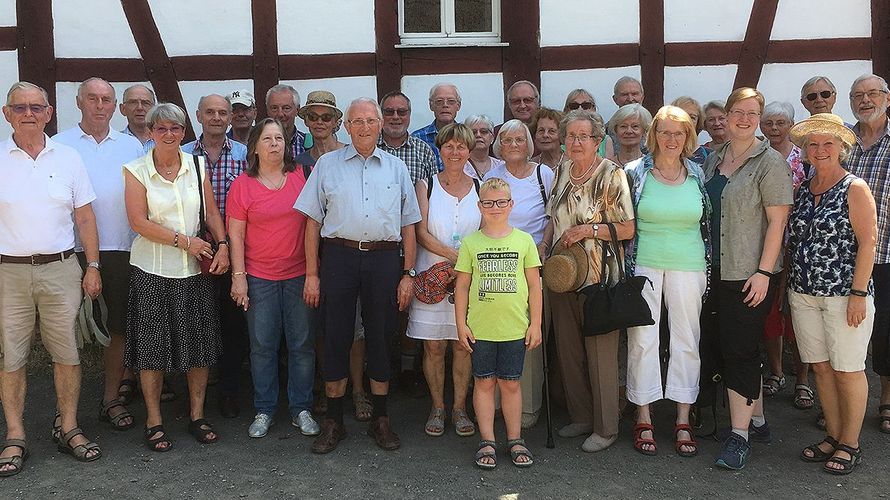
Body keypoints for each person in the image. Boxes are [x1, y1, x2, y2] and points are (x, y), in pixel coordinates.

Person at [295, 98, 421, 454]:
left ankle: (381, 419)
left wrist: (408, 273)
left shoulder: (396, 168)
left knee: (381, 336)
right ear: (345, 127)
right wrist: (312, 273)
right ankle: (334, 421)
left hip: (384, 261)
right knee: (335, 334)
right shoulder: (326, 166)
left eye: (370, 120)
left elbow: (409, 223)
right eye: (357, 121)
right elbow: (312, 223)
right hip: (338, 256)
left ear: (380, 125)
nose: (364, 127)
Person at [0, 81, 103, 476]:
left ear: (47, 113)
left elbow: (85, 217)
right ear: (7, 113)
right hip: (8, 271)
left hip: (61, 268)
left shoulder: (69, 157)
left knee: (68, 354)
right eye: (20, 107)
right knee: (12, 356)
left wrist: (92, 267)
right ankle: (14, 434)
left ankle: (70, 426)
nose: (29, 113)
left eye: (36, 107)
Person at [123, 103, 229, 452]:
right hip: (151, 271)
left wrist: (224, 244)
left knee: (198, 346)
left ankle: (197, 415)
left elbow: (211, 212)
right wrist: (185, 241)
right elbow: (137, 222)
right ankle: (154, 420)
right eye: (162, 128)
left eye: (175, 129)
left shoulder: (196, 165)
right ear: (151, 132)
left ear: (184, 133)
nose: (169, 135)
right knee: (152, 349)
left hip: (192, 270)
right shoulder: (136, 170)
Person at [702, 87, 793, 470]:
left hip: (749, 274)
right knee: (730, 348)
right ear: (726, 114)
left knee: (740, 351)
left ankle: (739, 438)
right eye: (737, 111)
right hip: (713, 272)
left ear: (758, 118)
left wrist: (763, 273)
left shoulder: (769, 162)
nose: (743, 118)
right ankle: (756, 421)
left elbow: (778, 222)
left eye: (751, 113)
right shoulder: (713, 158)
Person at [787, 113, 877, 475]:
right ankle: (834, 436)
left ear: (841, 146)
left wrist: (858, 293)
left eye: (828, 143)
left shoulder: (855, 187)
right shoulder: (803, 189)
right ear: (806, 150)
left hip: (843, 294)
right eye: (814, 144)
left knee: (848, 369)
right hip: (804, 292)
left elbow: (869, 242)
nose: (820, 150)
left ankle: (850, 444)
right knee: (821, 368)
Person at [52, 77, 144, 432]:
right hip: (69, 250)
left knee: (117, 328)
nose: (100, 105)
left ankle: (111, 398)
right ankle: (65, 412)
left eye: (106, 99)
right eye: (93, 98)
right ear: (79, 102)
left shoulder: (131, 147)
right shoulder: (60, 146)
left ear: (114, 105)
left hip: (122, 248)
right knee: (66, 330)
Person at [544, 109, 635, 452]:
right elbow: (553, 216)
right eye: (571, 136)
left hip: (600, 276)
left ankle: (606, 426)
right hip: (563, 272)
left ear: (598, 141)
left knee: (601, 354)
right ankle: (581, 416)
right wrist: (543, 243)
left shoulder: (611, 174)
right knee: (568, 350)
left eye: (584, 136)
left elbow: (627, 228)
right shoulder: (562, 170)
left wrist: (587, 230)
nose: (576, 142)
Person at [623, 106, 710, 457]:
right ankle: (643, 414)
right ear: (653, 135)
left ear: (688, 137)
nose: (671, 139)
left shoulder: (698, 174)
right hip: (644, 263)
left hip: (688, 265)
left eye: (679, 133)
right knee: (642, 340)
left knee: (686, 340)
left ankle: (682, 416)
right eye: (665, 132)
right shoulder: (634, 173)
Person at [227, 118, 320, 439]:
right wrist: (238, 277)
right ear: (254, 147)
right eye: (267, 139)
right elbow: (235, 236)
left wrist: (313, 273)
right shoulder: (242, 186)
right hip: (259, 277)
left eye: (279, 138)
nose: (274, 144)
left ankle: (301, 409)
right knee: (262, 347)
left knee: (302, 346)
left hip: (298, 275)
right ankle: (264, 409)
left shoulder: (302, 177)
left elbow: (313, 226)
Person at [455, 177, 543, 469]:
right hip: (481, 329)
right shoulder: (471, 242)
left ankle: (515, 438)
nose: (495, 208)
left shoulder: (524, 241)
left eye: (501, 202)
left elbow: (534, 286)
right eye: (489, 203)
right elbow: (462, 287)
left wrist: (535, 324)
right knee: (483, 383)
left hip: (514, 328)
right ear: (480, 206)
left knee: (511, 384)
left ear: (511, 204)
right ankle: (487, 440)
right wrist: (461, 324)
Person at [294, 90, 370, 422]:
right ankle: (330, 386)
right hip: (309, 252)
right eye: (313, 117)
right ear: (305, 121)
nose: (320, 122)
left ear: (339, 121)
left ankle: (357, 390)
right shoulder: (297, 162)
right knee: (322, 327)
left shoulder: (351, 157)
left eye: (327, 117)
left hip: (346, 251)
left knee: (354, 327)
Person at [410, 123, 480, 438]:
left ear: (469, 151)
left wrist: (462, 263)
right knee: (434, 347)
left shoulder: (481, 187)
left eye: (461, 146)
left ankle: (460, 408)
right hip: (430, 277)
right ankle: (438, 406)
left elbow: (486, 233)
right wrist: (453, 256)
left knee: (463, 346)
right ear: (440, 149)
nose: (454, 152)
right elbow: (420, 233)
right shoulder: (426, 185)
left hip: (469, 278)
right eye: (448, 146)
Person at [182, 94, 248, 419]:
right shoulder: (182, 155)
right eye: (210, 112)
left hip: (234, 251)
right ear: (199, 115)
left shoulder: (244, 155)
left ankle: (230, 391)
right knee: (197, 324)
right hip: (194, 252)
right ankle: (194, 398)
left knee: (233, 325)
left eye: (223, 112)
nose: (218, 117)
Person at [486, 119, 554, 428]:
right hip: (499, 264)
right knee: (499, 332)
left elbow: (552, 215)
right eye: (507, 140)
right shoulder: (492, 176)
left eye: (519, 139)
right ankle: (498, 405)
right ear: (499, 145)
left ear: (529, 144)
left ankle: (527, 409)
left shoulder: (544, 174)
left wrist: (543, 245)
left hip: (531, 265)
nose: (513, 144)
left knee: (528, 335)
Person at [845, 73, 890, 435]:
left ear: (887, 99)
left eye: (872, 93)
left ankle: (886, 399)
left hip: (888, 253)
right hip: (845, 257)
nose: (865, 100)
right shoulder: (843, 141)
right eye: (858, 95)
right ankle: (848, 402)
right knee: (848, 330)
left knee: (887, 331)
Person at [759, 101, 811, 408]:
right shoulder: (758, 156)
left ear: (790, 124)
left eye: (781, 123)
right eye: (769, 124)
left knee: (799, 314)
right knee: (770, 314)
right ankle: (776, 373)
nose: (775, 129)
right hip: (766, 245)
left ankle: (802, 379)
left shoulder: (804, 158)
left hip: (799, 245)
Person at [379, 91, 439, 185]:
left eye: (402, 112)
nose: (395, 117)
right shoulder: (370, 148)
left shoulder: (423, 150)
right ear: (381, 115)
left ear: (409, 114)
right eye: (389, 112)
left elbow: (434, 190)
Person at [412, 83, 461, 171]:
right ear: (431, 105)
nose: (445, 105)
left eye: (451, 101)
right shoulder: (417, 139)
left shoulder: (467, 136)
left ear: (458, 106)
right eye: (439, 101)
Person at [492, 81, 541, 154]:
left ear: (537, 102)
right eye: (516, 101)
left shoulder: (545, 133)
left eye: (527, 100)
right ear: (509, 104)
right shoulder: (498, 133)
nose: (522, 106)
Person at [564, 89, 614, 160]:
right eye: (574, 105)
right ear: (566, 109)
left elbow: (609, 168)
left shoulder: (605, 140)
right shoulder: (560, 139)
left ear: (594, 109)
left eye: (586, 105)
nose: (580, 109)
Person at [266, 84, 310, 159]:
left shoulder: (309, 144)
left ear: (297, 110)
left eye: (286, 108)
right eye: (274, 108)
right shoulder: (258, 144)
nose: (280, 114)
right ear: (267, 110)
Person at [671, 96, 710, 165]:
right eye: (681, 115)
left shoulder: (710, 156)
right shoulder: (657, 154)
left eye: (692, 117)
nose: (687, 120)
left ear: (698, 122)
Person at [463, 114, 503, 179]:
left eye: (484, 132)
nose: (478, 135)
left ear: (492, 137)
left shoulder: (501, 166)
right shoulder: (460, 165)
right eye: (473, 132)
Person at [119, 84, 156, 150]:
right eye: (133, 102)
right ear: (123, 109)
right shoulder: (113, 143)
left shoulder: (165, 141)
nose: (139, 108)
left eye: (145, 103)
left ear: (154, 109)